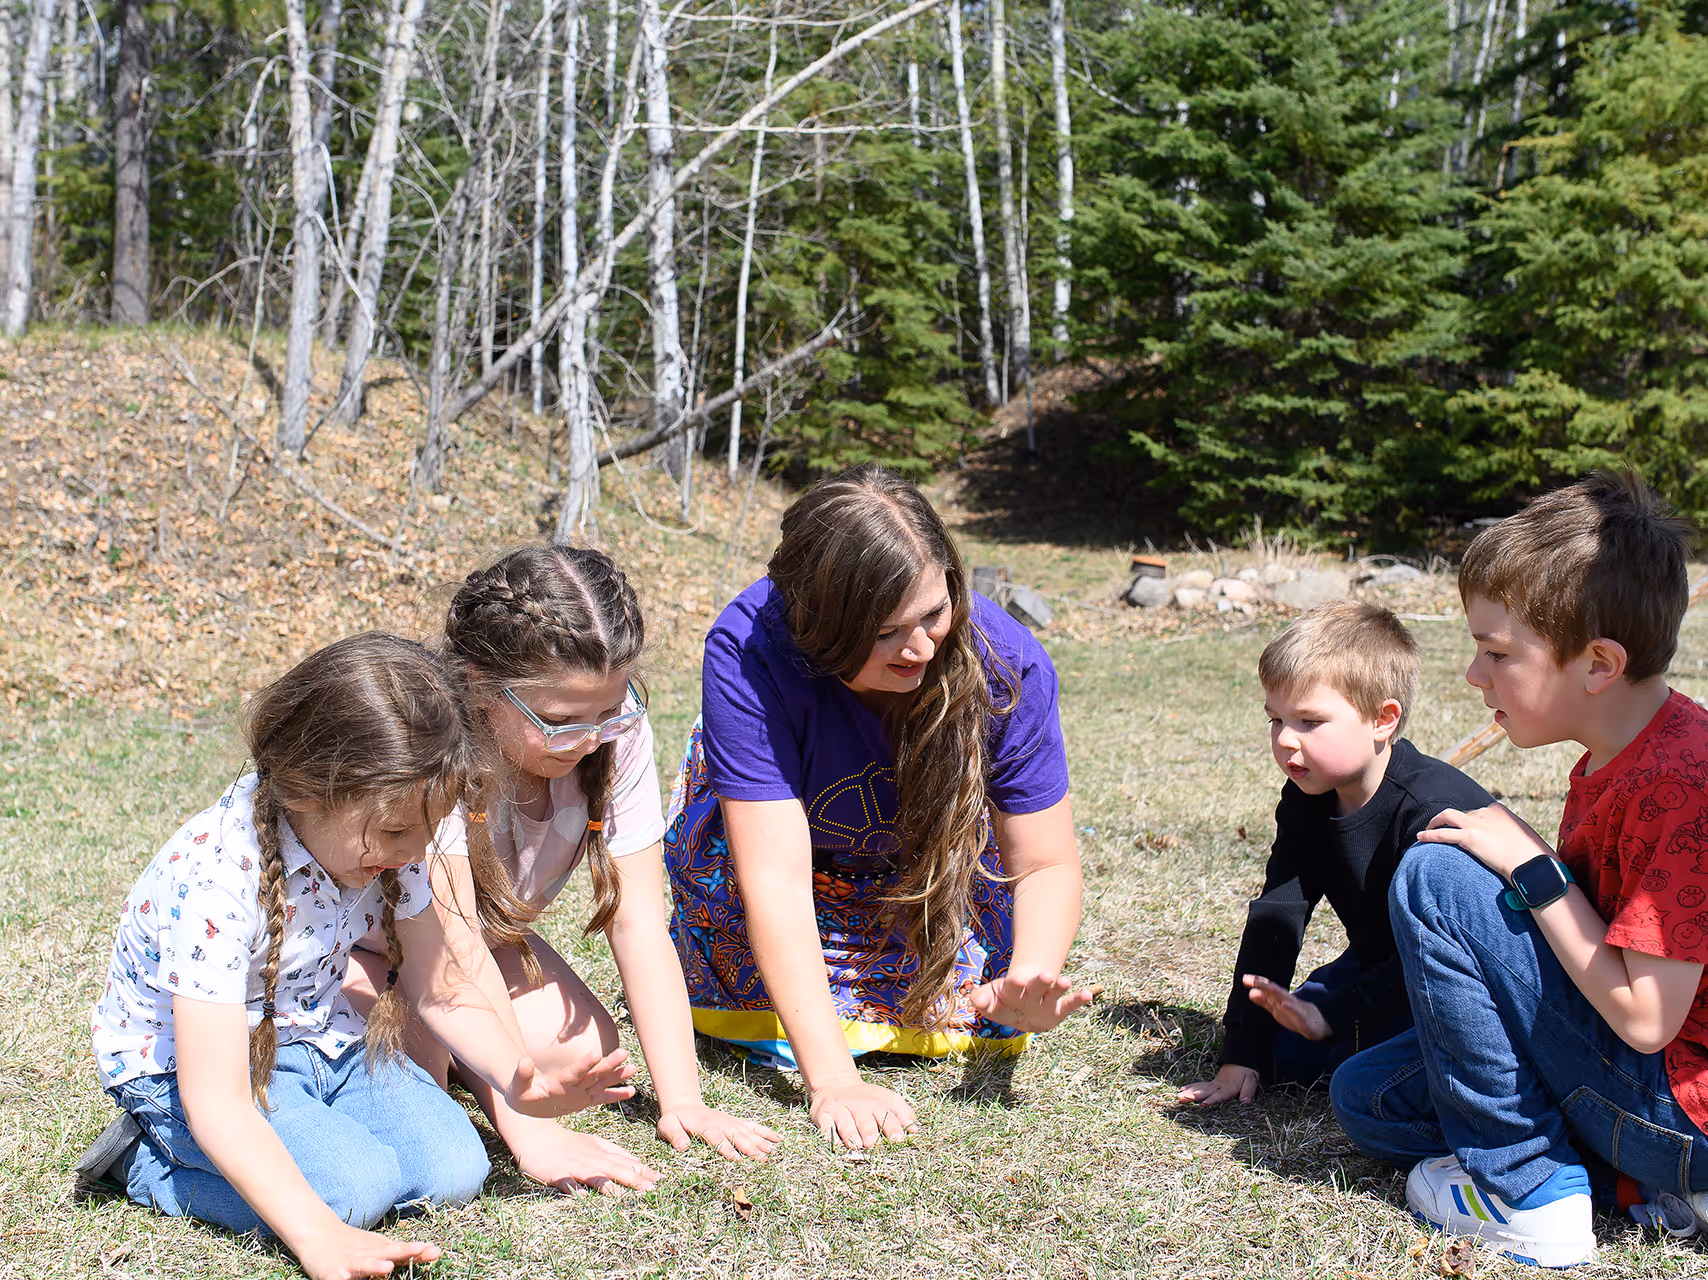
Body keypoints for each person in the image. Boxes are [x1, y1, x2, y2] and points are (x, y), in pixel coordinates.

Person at [1330, 472, 1708, 1267]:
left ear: (1598, 663)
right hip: (1670, 1093)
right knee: (1369, 1099)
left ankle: (1530, 1198)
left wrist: (1532, 867)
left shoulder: (1681, 788)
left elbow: (1645, 1018)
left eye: (1495, 652)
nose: (1475, 676)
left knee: (1437, 881)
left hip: (1700, 1110)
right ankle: (1639, 1188)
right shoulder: (1635, 744)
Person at [81, 633, 637, 1280]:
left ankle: (313, 1140)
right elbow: (218, 1100)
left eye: (426, 833)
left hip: (320, 1037)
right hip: (194, 1073)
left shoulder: (395, 843)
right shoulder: (214, 877)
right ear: (306, 789)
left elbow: (440, 986)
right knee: (348, 1194)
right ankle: (146, 1159)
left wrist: (520, 1078)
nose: (411, 852)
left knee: (455, 1167)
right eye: (397, 832)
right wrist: (318, 1236)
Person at [668, 464, 1095, 1149]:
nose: (924, 647)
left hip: (918, 864)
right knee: (742, 980)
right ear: (818, 627)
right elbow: (772, 882)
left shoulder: (1009, 661)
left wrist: (1029, 974)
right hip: (791, 860)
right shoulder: (748, 649)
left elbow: (1044, 860)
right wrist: (833, 1079)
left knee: (980, 999)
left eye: (935, 612)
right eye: (890, 631)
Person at [346, 545, 779, 1192]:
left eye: (608, 712)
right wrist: (533, 1131)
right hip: (370, 949)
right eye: (557, 721)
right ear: (476, 684)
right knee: (425, 1109)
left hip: (472, 951)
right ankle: (433, 1064)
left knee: (583, 1059)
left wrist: (681, 1100)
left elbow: (637, 924)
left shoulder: (617, 735)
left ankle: (470, 1061)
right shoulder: (435, 749)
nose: (588, 740)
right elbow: (448, 955)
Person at [1178, 602, 1491, 1106]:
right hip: (1376, 970)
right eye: (1275, 719)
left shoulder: (1431, 812)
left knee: (1363, 1077)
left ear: (1382, 720)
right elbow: (1279, 914)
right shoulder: (1308, 795)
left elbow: (1461, 956)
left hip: (1462, 985)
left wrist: (1339, 1010)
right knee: (1283, 1053)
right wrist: (1244, 1051)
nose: (1285, 741)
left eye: (1310, 721)